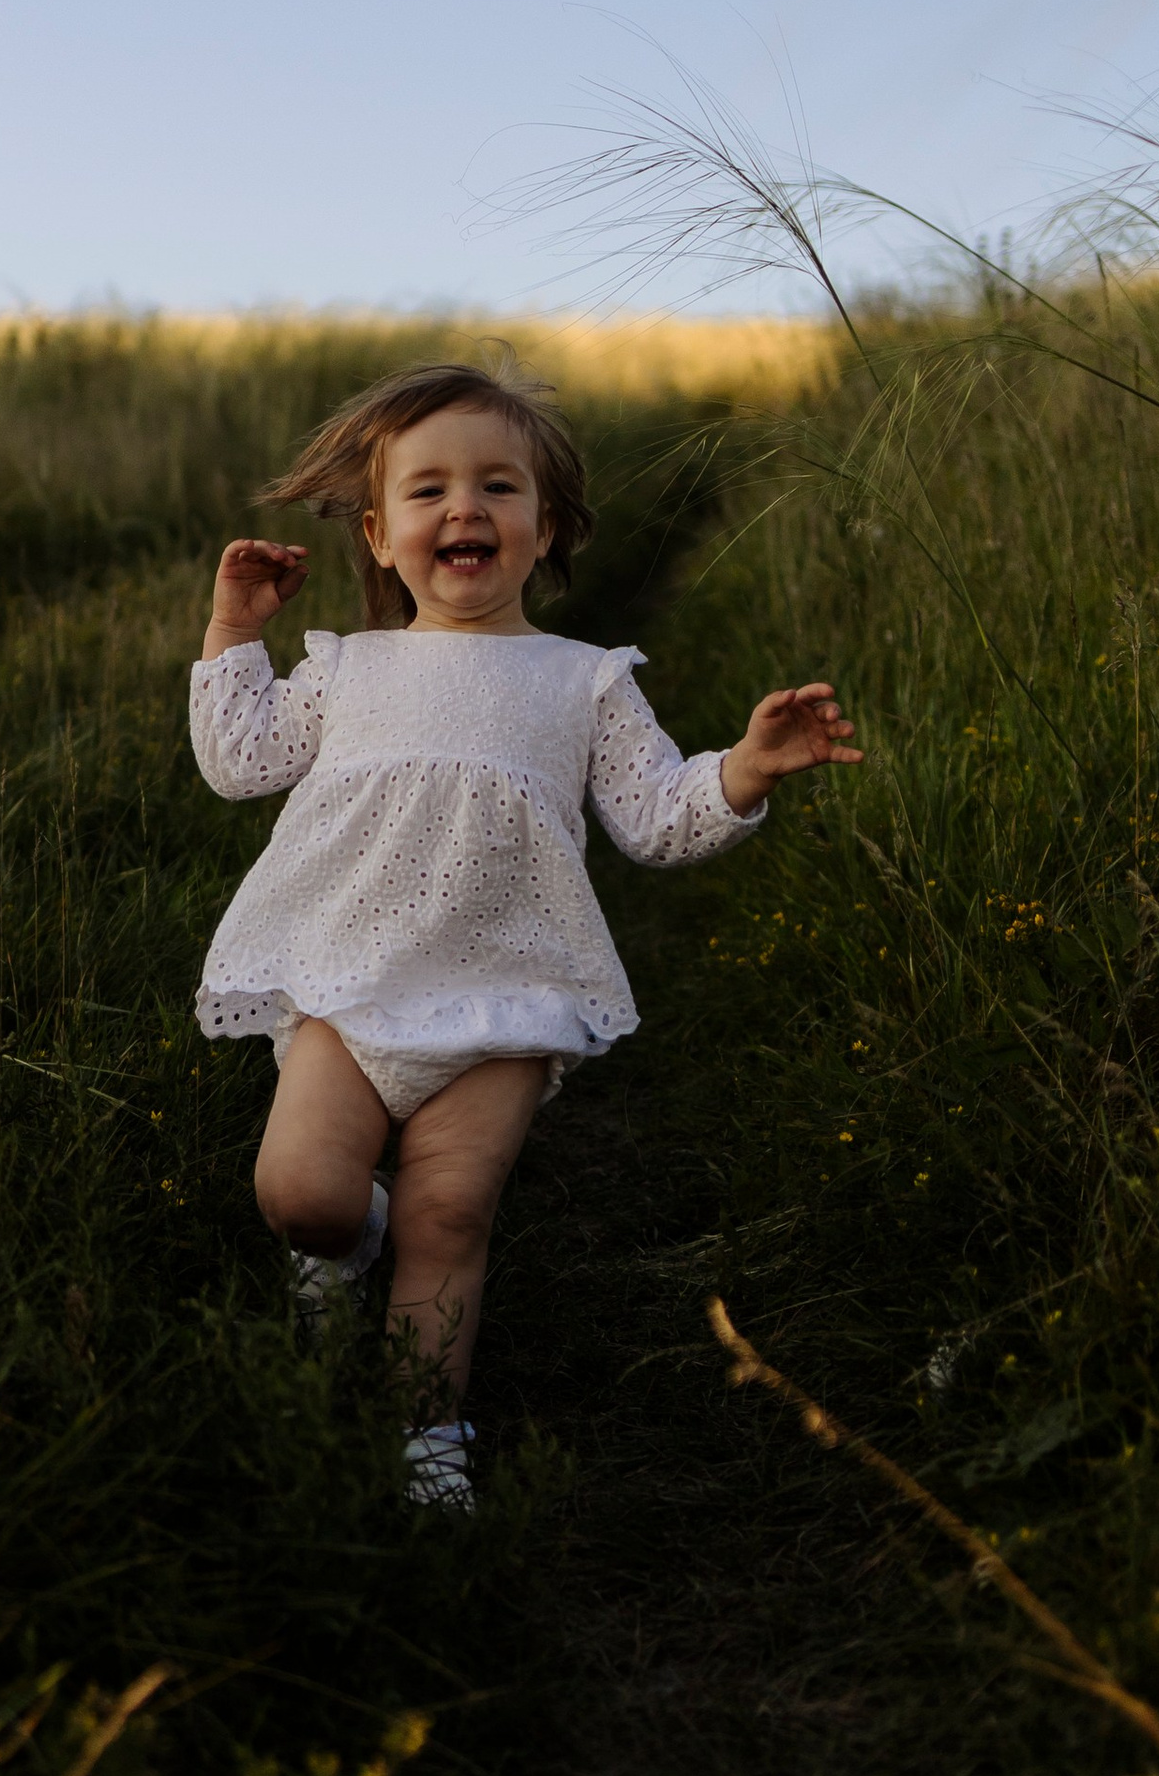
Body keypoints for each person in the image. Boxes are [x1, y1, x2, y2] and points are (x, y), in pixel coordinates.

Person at [187, 359, 863, 1508]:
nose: (465, 508)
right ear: (379, 531)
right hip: (345, 983)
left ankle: (425, 1432)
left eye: (499, 487)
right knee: (301, 1192)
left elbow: (655, 818)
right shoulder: (347, 667)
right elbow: (237, 762)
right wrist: (232, 630)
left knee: (450, 1214)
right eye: (429, 490)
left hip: (505, 993)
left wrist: (744, 769)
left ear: (545, 528)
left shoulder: (584, 679)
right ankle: (351, 1243)